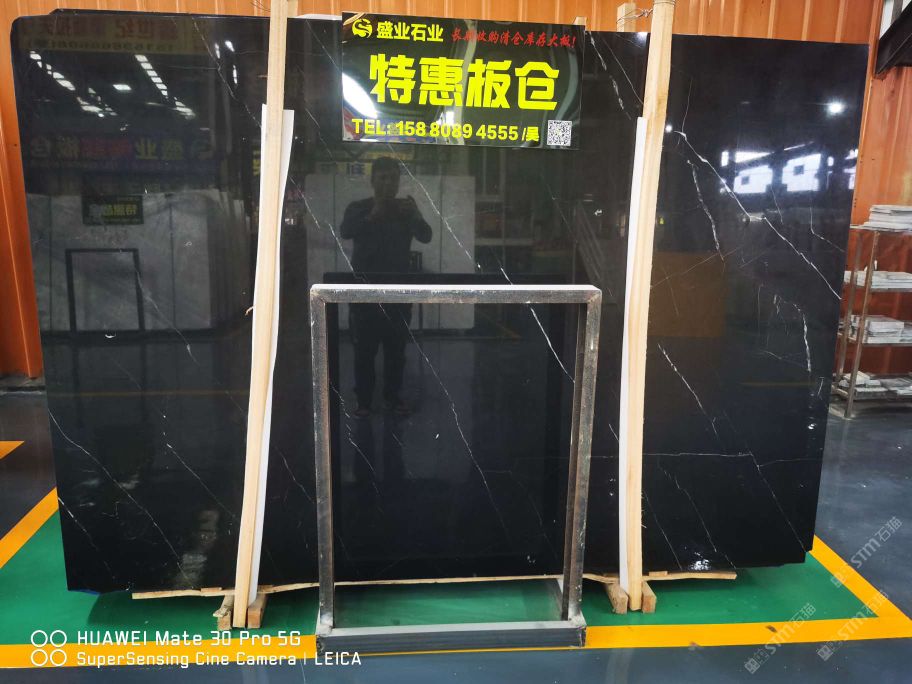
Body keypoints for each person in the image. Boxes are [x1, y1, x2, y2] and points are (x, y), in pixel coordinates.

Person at [340, 157, 432, 418]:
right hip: (365, 292)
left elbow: (426, 236)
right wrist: (372, 217)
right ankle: (364, 402)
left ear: (398, 181)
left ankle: (392, 398)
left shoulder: (405, 210)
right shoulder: (359, 208)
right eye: (382, 178)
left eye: (393, 178)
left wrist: (415, 214)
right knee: (364, 351)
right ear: (373, 181)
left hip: (397, 293)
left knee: (396, 350)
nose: (388, 183)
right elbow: (346, 231)